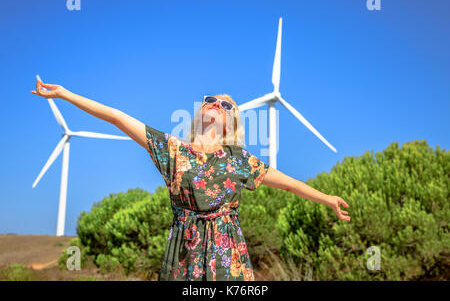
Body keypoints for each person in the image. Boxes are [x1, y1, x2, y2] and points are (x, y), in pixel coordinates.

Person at [31, 79, 351, 281]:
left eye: (226, 105)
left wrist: (327, 199)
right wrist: (65, 94)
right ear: (200, 112)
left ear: (230, 123)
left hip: (228, 256)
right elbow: (117, 116)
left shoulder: (239, 160)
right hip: (183, 253)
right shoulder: (173, 150)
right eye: (211, 99)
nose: (216, 104)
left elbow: (288, 182)